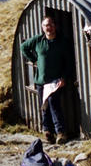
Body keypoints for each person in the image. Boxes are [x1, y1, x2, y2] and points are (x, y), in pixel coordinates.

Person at [21, 15, 73, 144]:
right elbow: (24, 47)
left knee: (53, 104)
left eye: (50, 25)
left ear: (55, 26)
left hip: (55, 81)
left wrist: (64, 78)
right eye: (45, 25)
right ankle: (47, 131)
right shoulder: (39, 40)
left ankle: (61, 133)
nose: (48, 28)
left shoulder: (62, 42)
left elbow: (69, 62)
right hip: (41, 80)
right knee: (44, 106)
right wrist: (34, 60)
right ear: (42, 27)